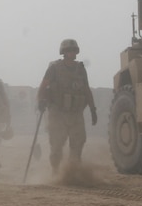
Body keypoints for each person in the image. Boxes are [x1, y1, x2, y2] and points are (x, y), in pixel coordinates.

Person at [36, 38, 97, 173]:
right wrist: (40, 101)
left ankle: (72, 172)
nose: (72, 53)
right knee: (57, 146)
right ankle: (55, 171)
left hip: (76, 113)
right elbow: (43, 87)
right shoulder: (54, 68)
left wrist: (93, 109)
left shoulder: (80, 69)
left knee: (78, 143)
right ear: (63, 52)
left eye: (74, 50)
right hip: (58, 113)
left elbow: (86, 90)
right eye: (69, 50)